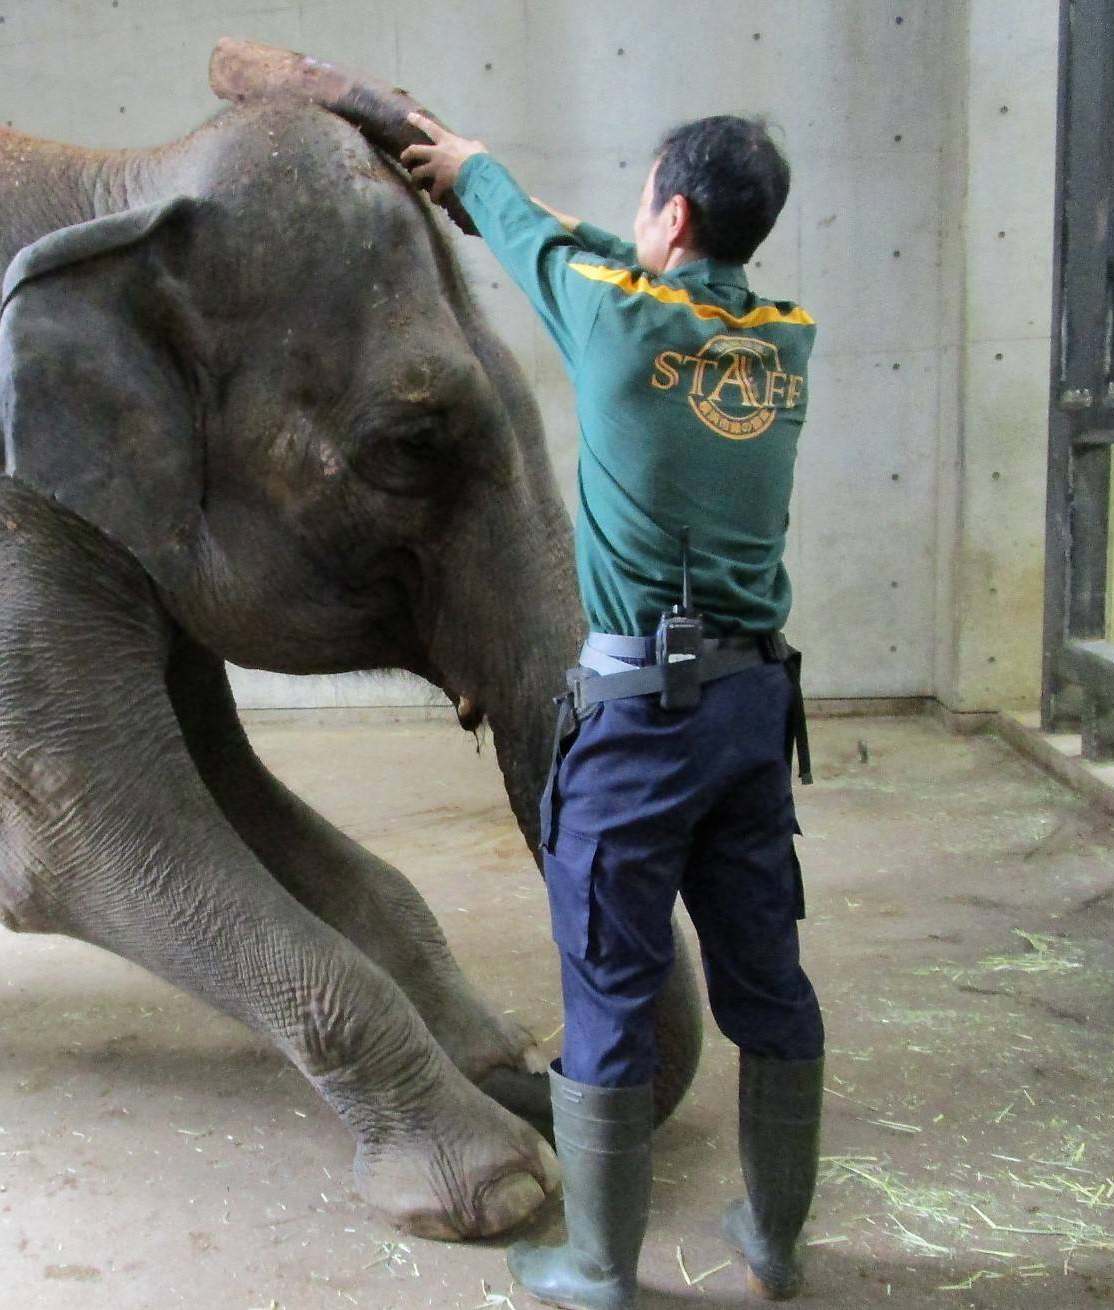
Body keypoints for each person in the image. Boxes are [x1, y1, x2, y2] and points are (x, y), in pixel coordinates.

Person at [401, 112, 825, 1308]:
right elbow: (601, 255)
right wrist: (585, 223)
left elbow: (537, 242)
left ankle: (597, 1265)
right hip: (755, 708)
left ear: (672, 216)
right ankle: (776, 1239)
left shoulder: (616, 320)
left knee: (609, 982)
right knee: (768, 976)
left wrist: (473, 170)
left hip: (642, 722)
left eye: (645, 202)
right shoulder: (785, 342)